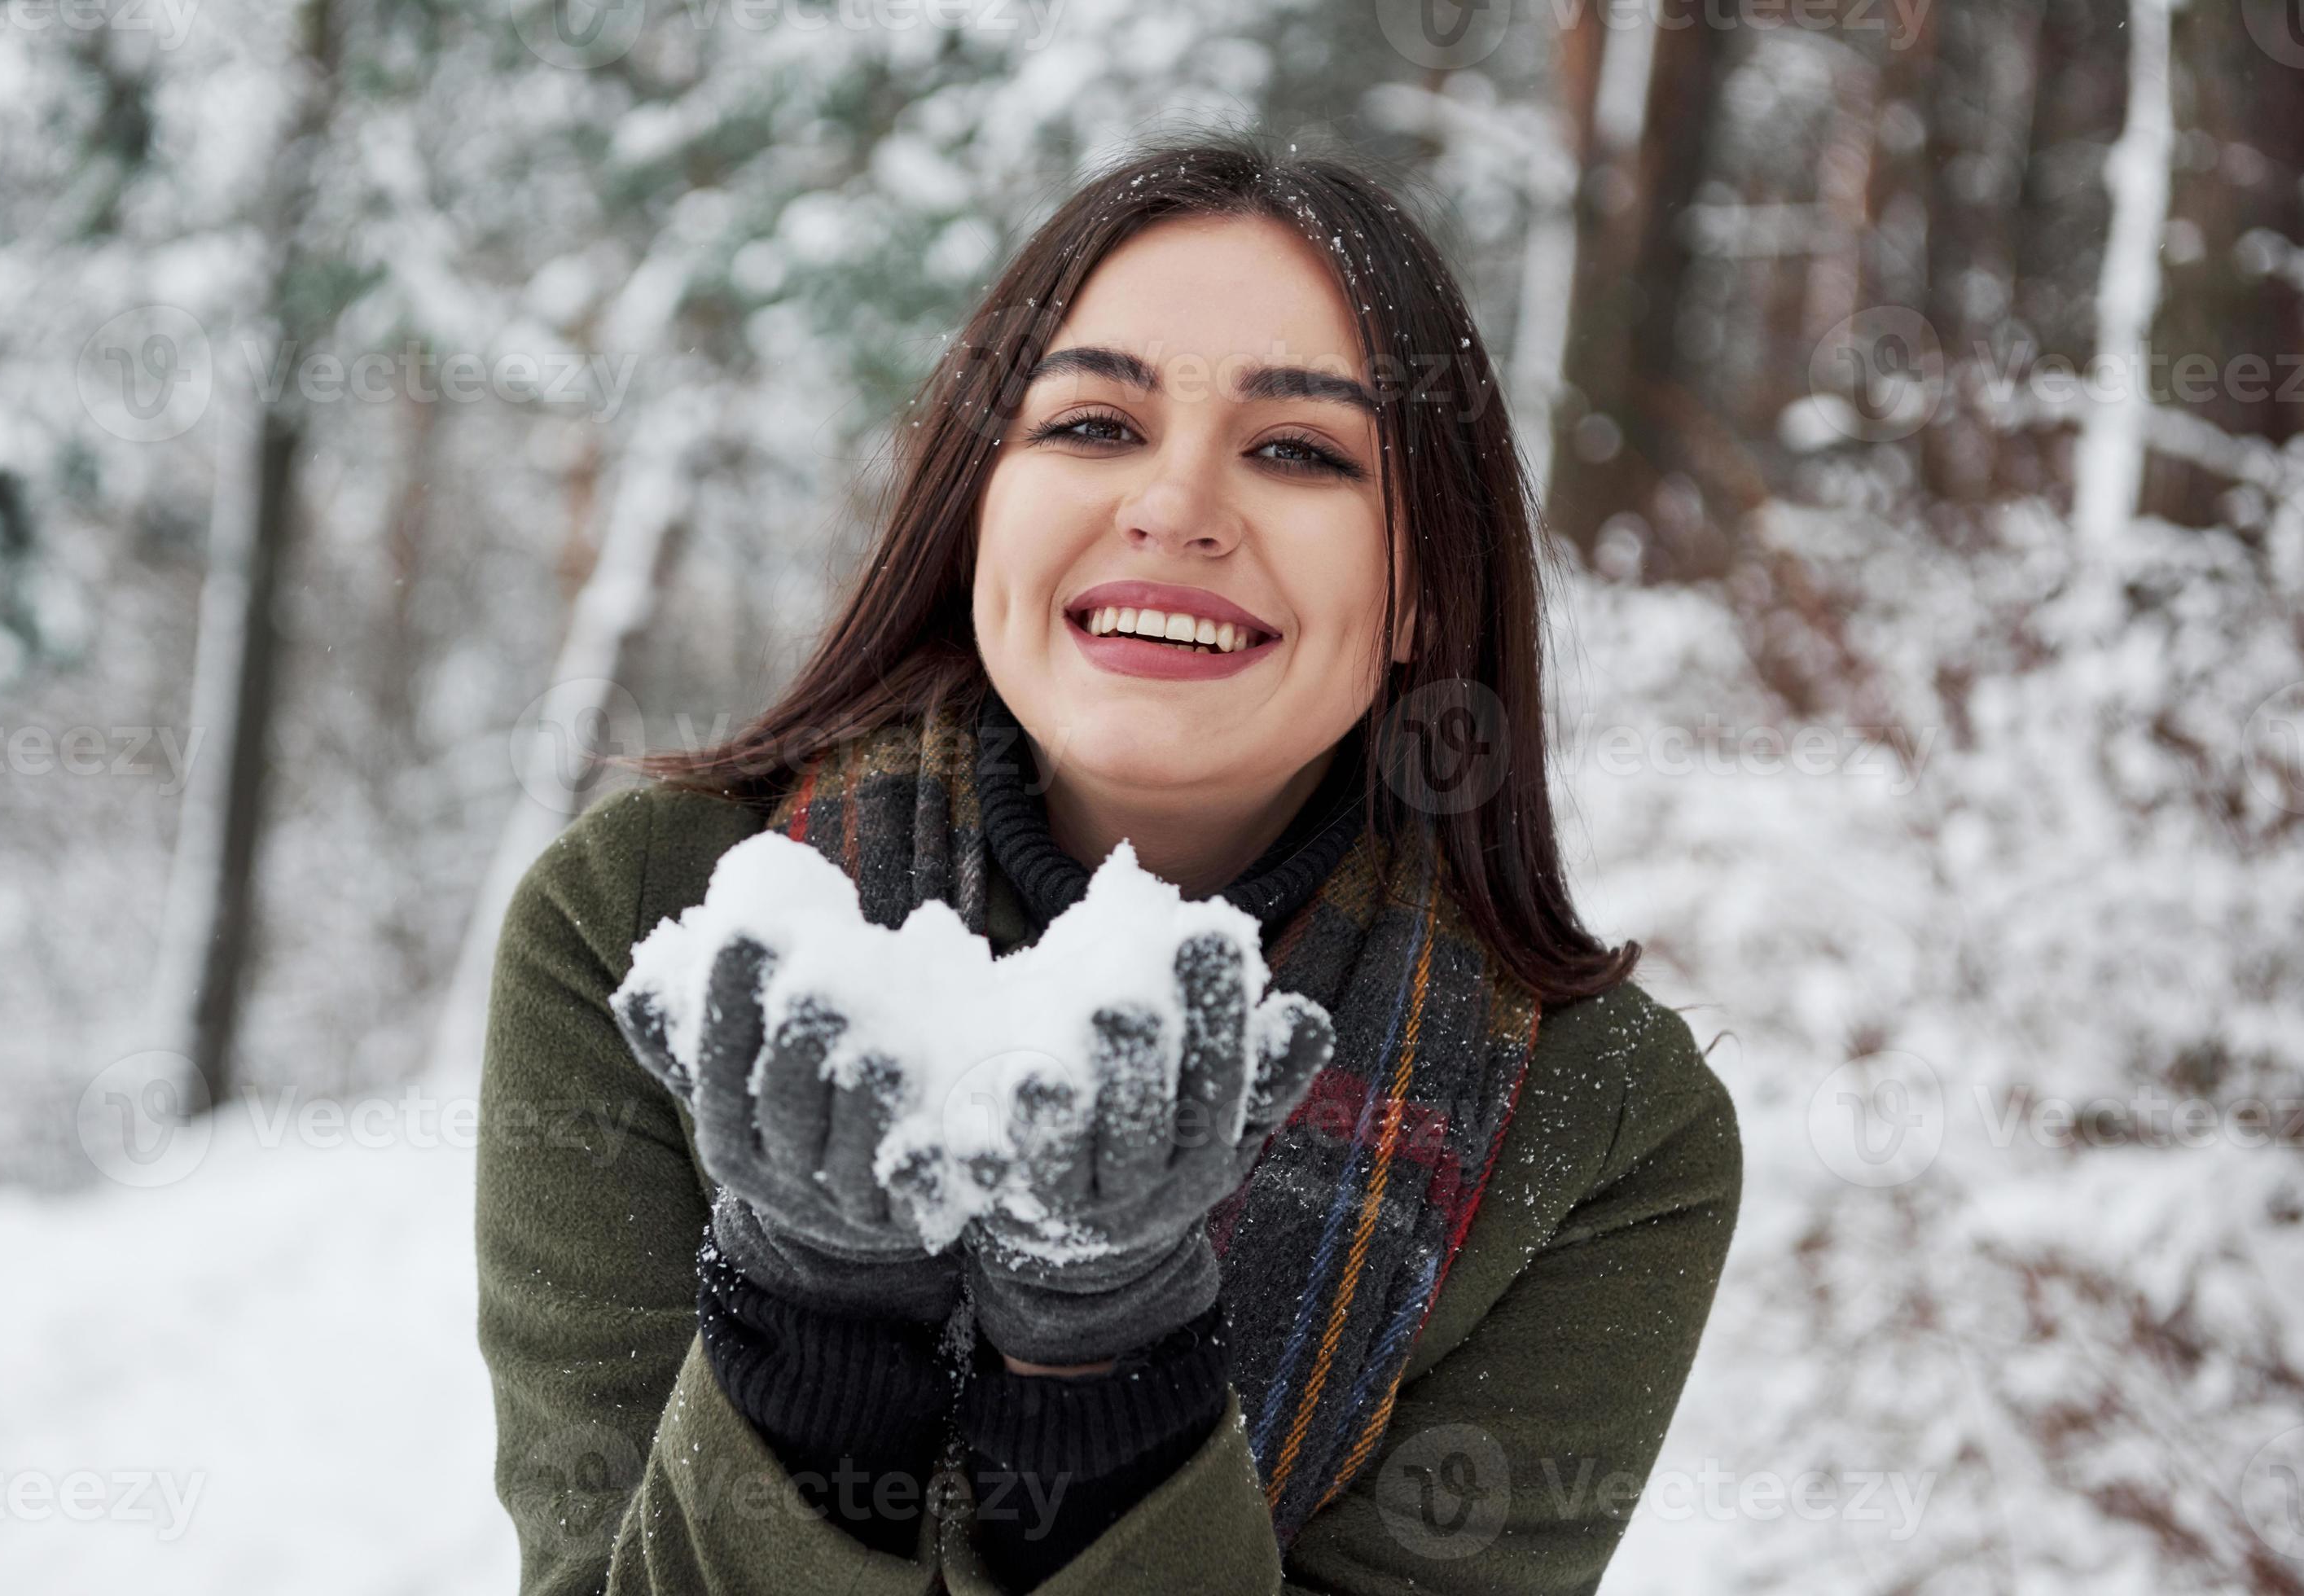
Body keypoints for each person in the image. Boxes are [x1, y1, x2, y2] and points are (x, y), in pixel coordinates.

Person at [477, 133, 1741, 1595]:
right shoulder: (644, 922)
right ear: (976, 511)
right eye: (1091, 427)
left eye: (1298, 451)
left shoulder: (1603, 1136)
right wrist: (813, 1325)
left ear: (1425, 593)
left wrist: (1105, 1363)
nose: (1175, 508)